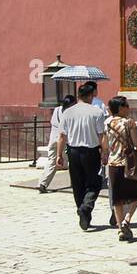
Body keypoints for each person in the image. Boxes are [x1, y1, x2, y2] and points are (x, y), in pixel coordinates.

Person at [55, 81, 107, 231]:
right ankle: (86, 207)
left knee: (77, 184)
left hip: (73, 152)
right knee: (94, 183)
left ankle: (83, 212)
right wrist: (105, 152)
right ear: (90, 96)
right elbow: (101, 135)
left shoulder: (67, 112)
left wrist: (59, 155)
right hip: (90, 152)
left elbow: (62, 136)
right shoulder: (96, 112)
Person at [104, 96, 137, 242]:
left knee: (117, 199)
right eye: (126, 105)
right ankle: (127, 220)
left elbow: (105, 145)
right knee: (136, 195)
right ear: (121, 108)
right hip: (129, 164)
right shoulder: (130, 123)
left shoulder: (106, 123)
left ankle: (120, 229)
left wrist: (105, 156)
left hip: (113, 164)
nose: (128, 108)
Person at [37, 94, 76, 193]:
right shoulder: (69, 113)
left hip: (53, 138)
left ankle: (43, 183)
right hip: (63, 140)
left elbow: (52, 122)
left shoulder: (57, 109)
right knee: (73, 161)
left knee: (51, 161)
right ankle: (75, 182)